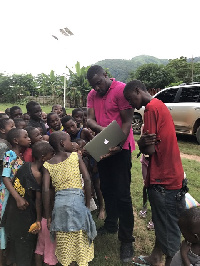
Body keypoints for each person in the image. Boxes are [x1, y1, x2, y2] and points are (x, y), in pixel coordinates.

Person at [123, 80, 186, 266]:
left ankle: (171, 262)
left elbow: (149, 149)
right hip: (173, 173)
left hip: (163, 178)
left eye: (130, 98)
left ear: (137, 90)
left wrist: (141, 143)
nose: (130, 104)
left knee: (168, 228)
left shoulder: (150, 109)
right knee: (162, 221)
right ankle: (156, 257)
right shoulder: (160, 105)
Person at [86, 65, 135, 262]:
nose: (97, 88)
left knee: (122, 193)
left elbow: (127, 121)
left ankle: (126, 240)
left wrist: (117, 142)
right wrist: (106, 132)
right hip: (103, 143)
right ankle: (110, 224)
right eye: (93, 85)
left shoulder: (122, 90)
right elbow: (89, 120)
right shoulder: (92, 94)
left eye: (99, 82)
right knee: (106, 188)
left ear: (105, 75)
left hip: (121, 147)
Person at [43, 131, 97, 266]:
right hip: (77, 202)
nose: (72, 143)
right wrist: (86, 203)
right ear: (62, 143)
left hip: (60, 204)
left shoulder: (47, 165)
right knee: (79, 235)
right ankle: (81, 260)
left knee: (63, 234)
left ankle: (68, 261)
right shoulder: (75, 157)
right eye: (69, 141)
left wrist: (49, 216)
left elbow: (45, 190)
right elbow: (88, 180)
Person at [1, 141, 54, 266]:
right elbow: (38, 201)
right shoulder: (38, 175)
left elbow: (13, 180)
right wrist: (38, 220)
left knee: (14, 248)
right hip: (24, 218)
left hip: (12, 214)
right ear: (43, 158)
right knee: (24, 250)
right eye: (51, 155)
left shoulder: (24, 166)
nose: (52, 157)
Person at [1, 128, 31, 259]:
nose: (29, 138)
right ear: (15, 140)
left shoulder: (20, 157)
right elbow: (5, 177)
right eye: (26, 136)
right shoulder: (9, 155)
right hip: (5, 195)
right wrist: (17, 197)